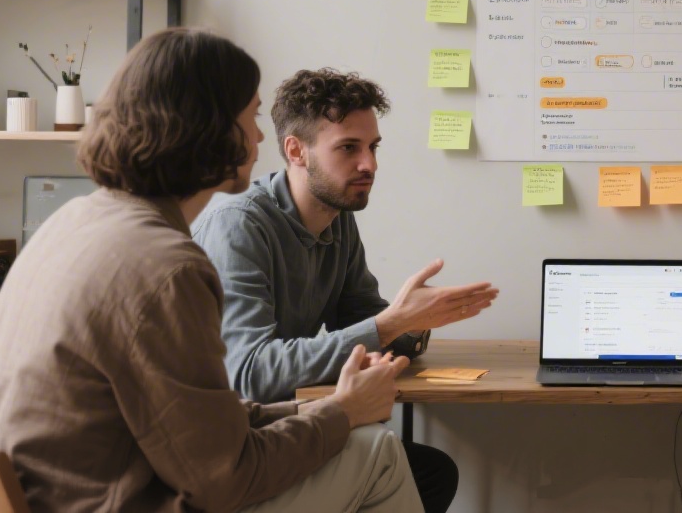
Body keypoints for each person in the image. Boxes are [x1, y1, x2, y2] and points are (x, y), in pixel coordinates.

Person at [0, 29, 422, 512]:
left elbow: (198, 420)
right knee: (377, 451)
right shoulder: (165, 266)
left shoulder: (75, 221)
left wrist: (322, 408)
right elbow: (224, 477)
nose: (258, 137)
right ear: (205, 128)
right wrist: (340, 413)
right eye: (251, 116)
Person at [193, 67, 498, 513]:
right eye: (349, 148)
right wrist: (394, 322)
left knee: (432, 472)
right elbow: (251, 374)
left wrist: (418, 322)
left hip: (282, 426)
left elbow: (361, 315)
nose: (369, 164)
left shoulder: (338, 218)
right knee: (406, 464)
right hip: (229, 448)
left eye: (372, 147)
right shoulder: (237, 227)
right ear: (296, 151)